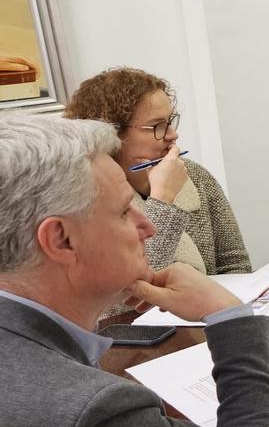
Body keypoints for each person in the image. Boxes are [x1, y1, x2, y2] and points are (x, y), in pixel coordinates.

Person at [0, 114, 269, 427]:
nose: (146, 224)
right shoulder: (88, 415)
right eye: (122, 212)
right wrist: (229, 316)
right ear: (61, 239)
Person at [65, 67, 251, 282]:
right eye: (157, 126)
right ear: (112, 133)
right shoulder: (88, 200)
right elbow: (131, 289)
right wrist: (163, 200)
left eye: (170, 122)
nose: (173, 135)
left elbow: (235, 264)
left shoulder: (193, 175)